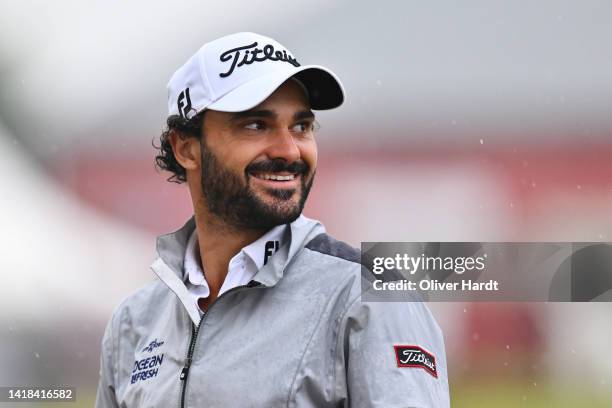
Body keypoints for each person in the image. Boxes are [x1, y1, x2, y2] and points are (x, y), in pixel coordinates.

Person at [95, 32, 450, 407]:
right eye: (255, 125)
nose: (289, 150)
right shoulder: (134, 323)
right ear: (186, 148)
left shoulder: (370, 298)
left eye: (301, 126)